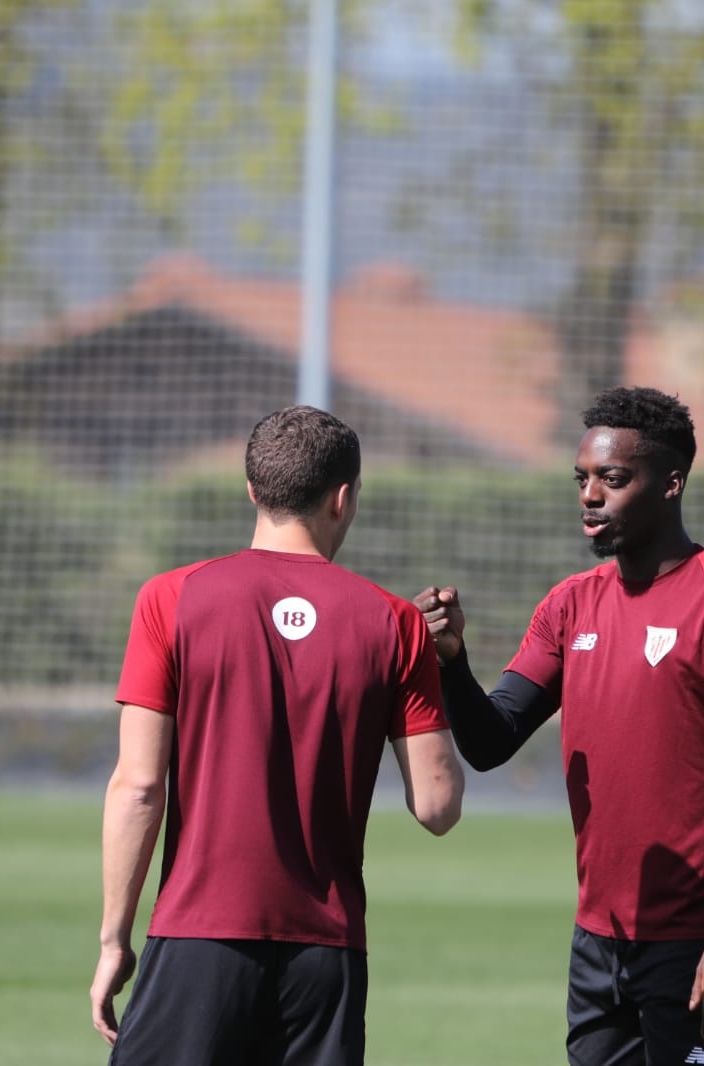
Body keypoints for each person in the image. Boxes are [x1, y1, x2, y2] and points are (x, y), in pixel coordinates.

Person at [415, 386, 704, 1066]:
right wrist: (452, 662)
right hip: (599, 939)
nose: (590, 495)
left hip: (700, 938)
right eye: (582, 479)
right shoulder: (569, 606)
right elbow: (491, 741)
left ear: (671, 483)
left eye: (613, 479)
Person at [90, 405, 465, 1066]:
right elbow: (437, 807)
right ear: (343, 497)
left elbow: (140, 785)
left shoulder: (170, 598)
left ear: (252, 490)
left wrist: (113, 939)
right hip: (327, 955)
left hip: (198, 940)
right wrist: (439, 666)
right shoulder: (396, 623)